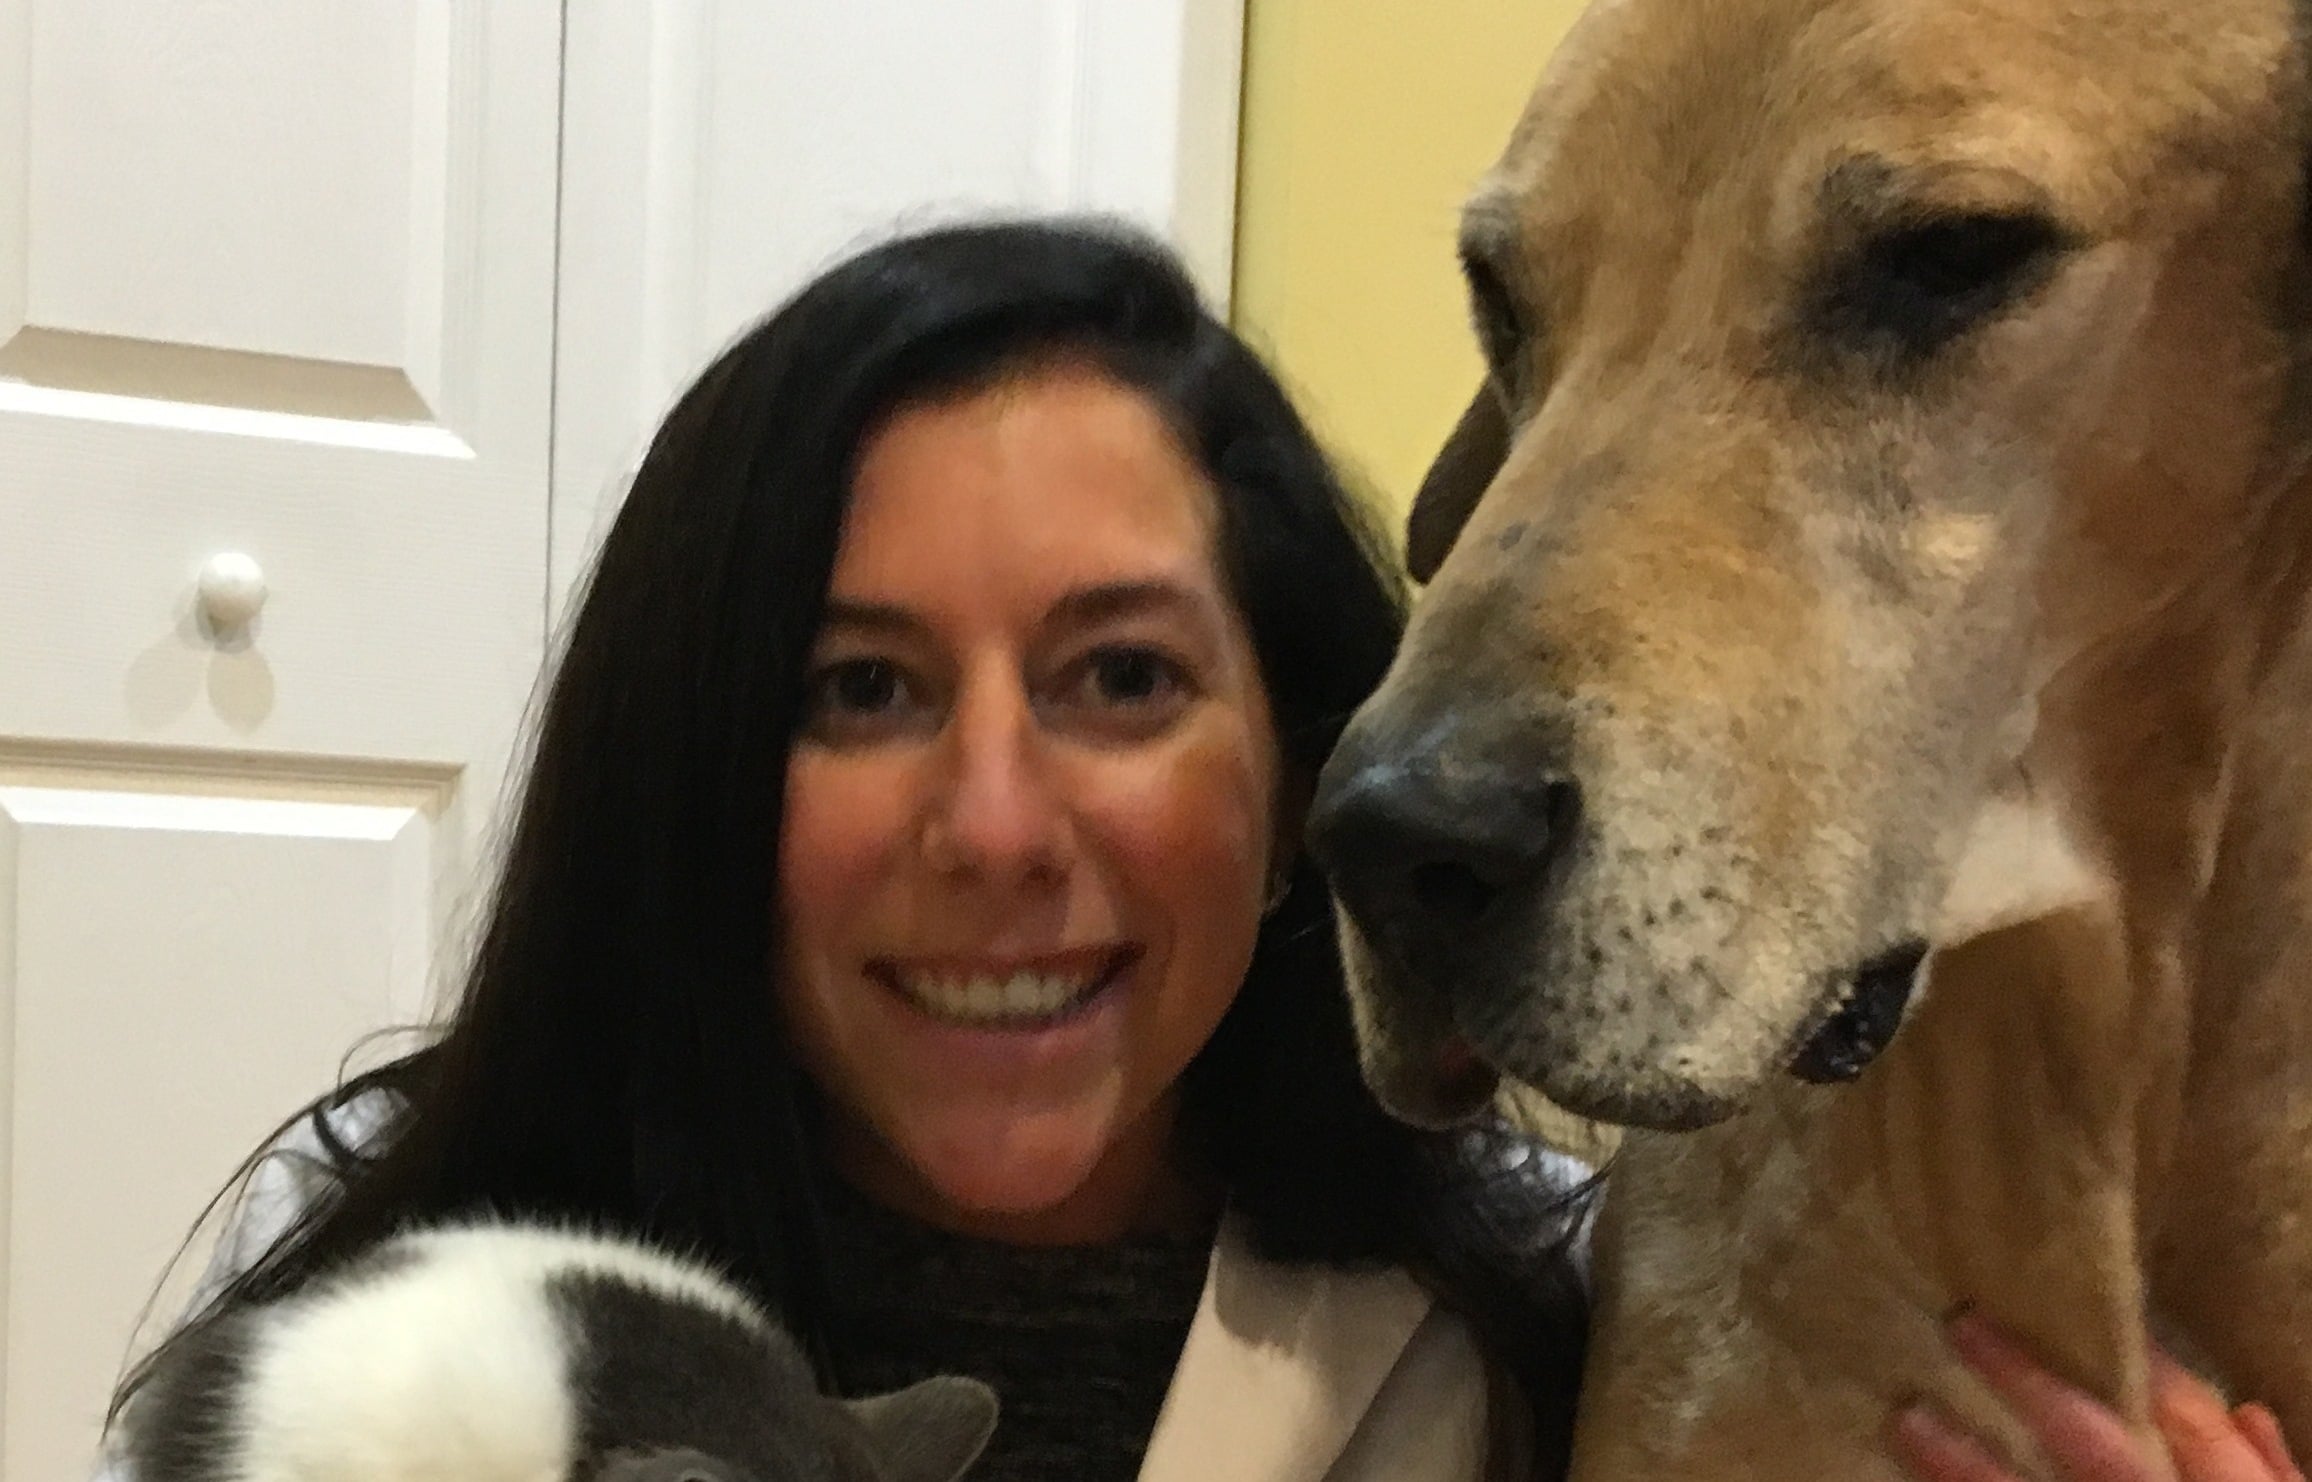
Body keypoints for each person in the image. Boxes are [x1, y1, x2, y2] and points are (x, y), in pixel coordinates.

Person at [100, 218, 2298, 1482]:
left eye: (1122, 678)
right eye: (858, 690)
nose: (995, 824)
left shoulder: (1540, 1329)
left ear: (1296, 781)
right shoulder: (390, 1318)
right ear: (705, 780)